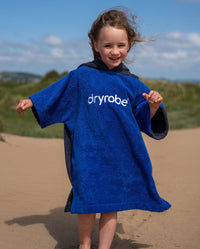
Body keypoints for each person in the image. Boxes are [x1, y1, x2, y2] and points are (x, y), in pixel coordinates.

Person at [16, 8, 171, 249]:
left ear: (129, 45)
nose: (115, 51)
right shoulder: (82, 77)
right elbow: (57, 93)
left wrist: (153, 106)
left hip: (119, 156)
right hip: (89, 153)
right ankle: (85, 244)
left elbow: (143, 118)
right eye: (108, 45)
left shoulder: (132, 82)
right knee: (88, 201)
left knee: (111, 206)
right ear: (96, 44)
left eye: (121, 45)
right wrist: (34, 100)